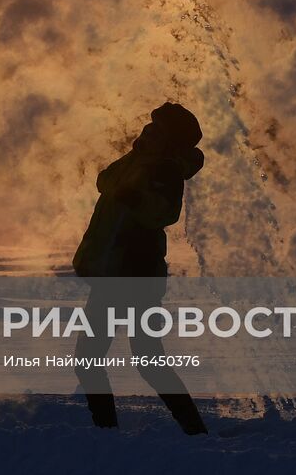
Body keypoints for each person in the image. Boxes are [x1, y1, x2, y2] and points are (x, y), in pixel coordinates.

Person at [70, 102, 208, 434]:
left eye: (156, 129)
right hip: (117, 274)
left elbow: (164, 214)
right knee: (136, 357)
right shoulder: (143, 160)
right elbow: (105, 180)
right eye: (149, 125)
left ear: (169, 139)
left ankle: (110, 431)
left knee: (107, 357)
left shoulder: (165, 169)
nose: (147, 130)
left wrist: (135, 197)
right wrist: (135, 161)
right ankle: (190, 429)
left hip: (133, 274)